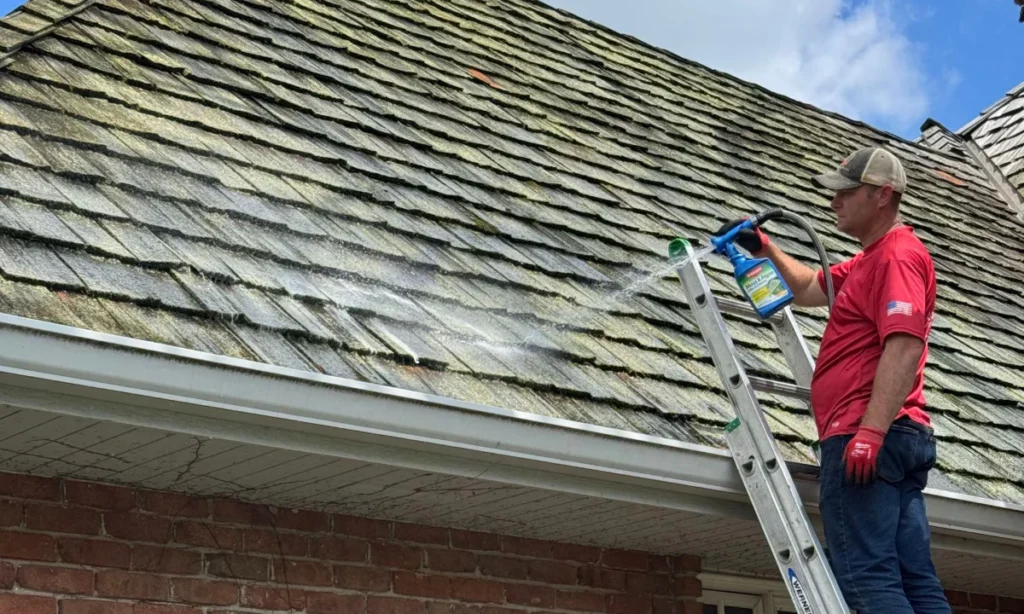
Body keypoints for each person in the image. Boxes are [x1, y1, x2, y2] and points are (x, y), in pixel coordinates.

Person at [717, 146, 951, 614]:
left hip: (867, 433)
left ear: (882, 195)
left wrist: (869, 431)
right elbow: (807, 289)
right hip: (897, 438)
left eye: (846, 192)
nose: (834, 201)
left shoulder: (898, 257)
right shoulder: (868, 261)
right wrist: (764, 248)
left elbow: (904, 345)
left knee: (866, 577)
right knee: (913, 580)